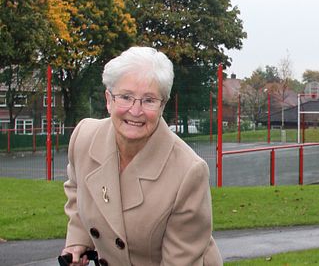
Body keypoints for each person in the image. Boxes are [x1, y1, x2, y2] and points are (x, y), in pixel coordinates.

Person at [61, 46, 222, 265]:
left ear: (162, 105)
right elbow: (78, 190)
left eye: (148, 100)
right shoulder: (84, 137)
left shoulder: (188, 172)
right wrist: (78, 240)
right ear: (109, 99)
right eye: (125, 97)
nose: (135, 111)